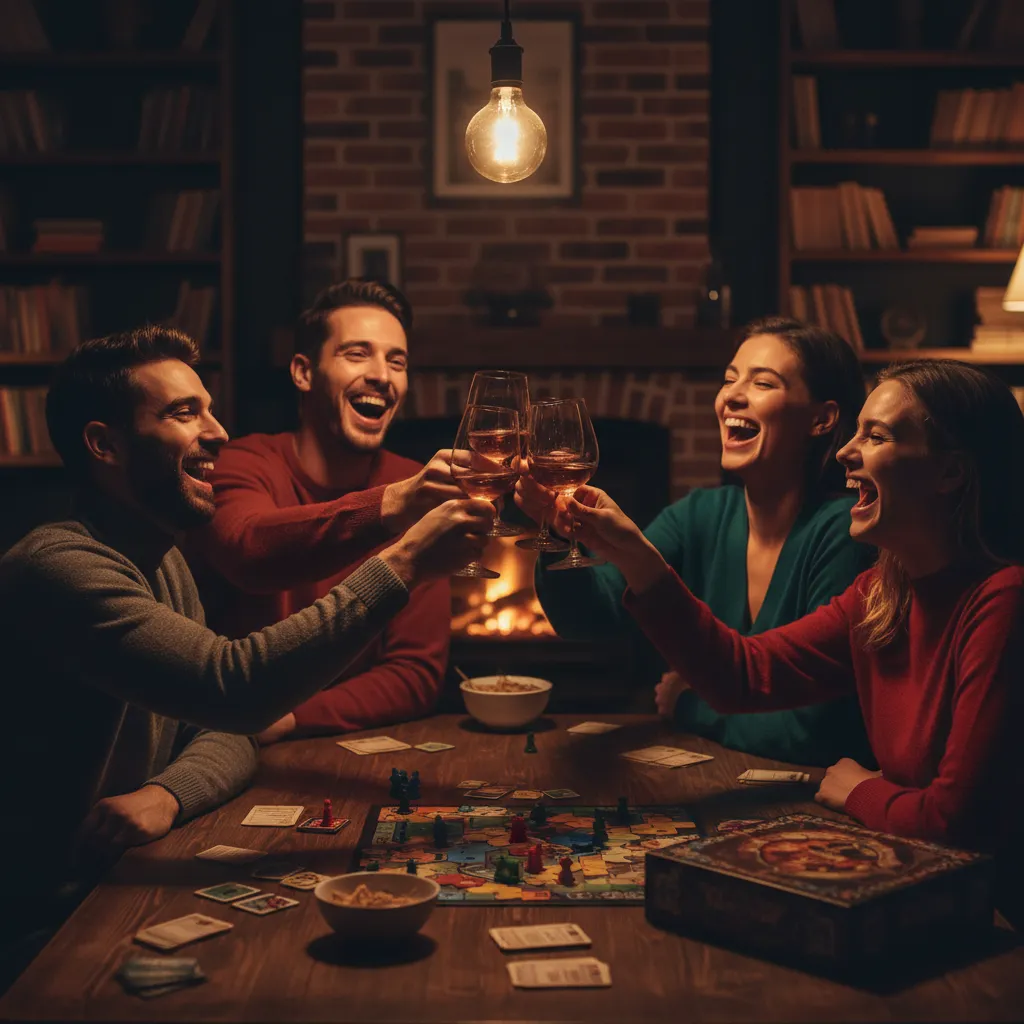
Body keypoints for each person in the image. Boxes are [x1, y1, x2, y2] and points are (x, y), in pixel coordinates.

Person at [0, 326, 490, 971]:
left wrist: (168, 794)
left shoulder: (164, 560)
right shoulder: (58, 568)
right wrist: (402, 562)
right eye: (183, 413)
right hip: (42, 932)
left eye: (209, 407)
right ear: (104, 445)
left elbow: (230, 732)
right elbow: (233, 690)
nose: (219, 432)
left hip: (122, 884)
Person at [547, 359, 1024, 926]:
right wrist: (632, 554)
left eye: (876, 435)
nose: (848, 452)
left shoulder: (1003, 599)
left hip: (991, 921)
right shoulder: (880, 591)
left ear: (951, 473)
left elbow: (955, 822)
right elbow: (743, 675)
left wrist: (855, 791)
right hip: (913, 886)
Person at [517, 318, 875, 766]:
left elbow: (810, 730)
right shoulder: (701, 514)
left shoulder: (845, 531)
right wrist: (553, 530)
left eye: (763, 383)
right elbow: (590, 619)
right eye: (729, 379)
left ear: (822, 419)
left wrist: (687, 705)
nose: (732, 396)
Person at [189, 280, 464, 743]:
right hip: (220, 740)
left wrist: (289, 718)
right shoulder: (243, 462)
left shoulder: (416, 481)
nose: (383, 375)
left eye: (397, 361)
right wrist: (395, 504)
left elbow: (415, 672)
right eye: (357, 354)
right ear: (303, 372)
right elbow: (250, 549)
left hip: (308, 738)